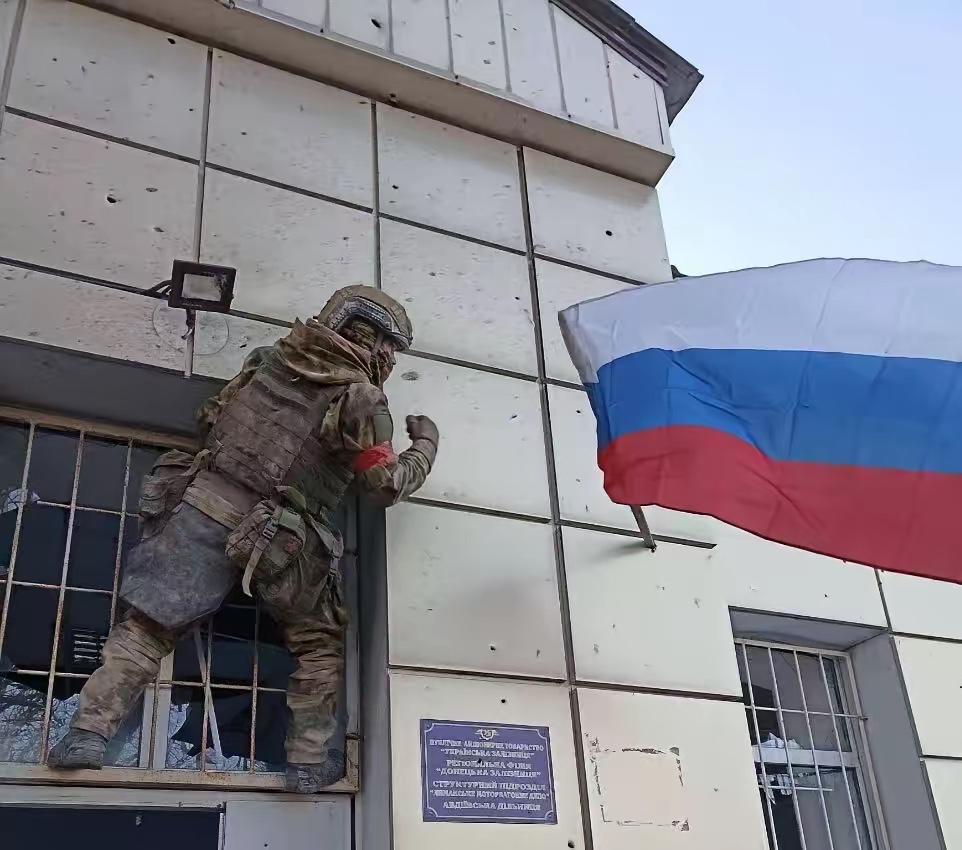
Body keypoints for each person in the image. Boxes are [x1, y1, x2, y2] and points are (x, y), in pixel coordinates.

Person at [47, 285, 438, 793]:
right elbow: (383, 486)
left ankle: (87, 734)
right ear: (374, 341)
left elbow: (210, 418)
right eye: (391, 348)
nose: (390, 360)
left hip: (204, 505)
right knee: (317, 644)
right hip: (283, 536)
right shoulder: (362, 399)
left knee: (146, 627)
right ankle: (306, 763)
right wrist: (425, 445)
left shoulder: (267, 360)